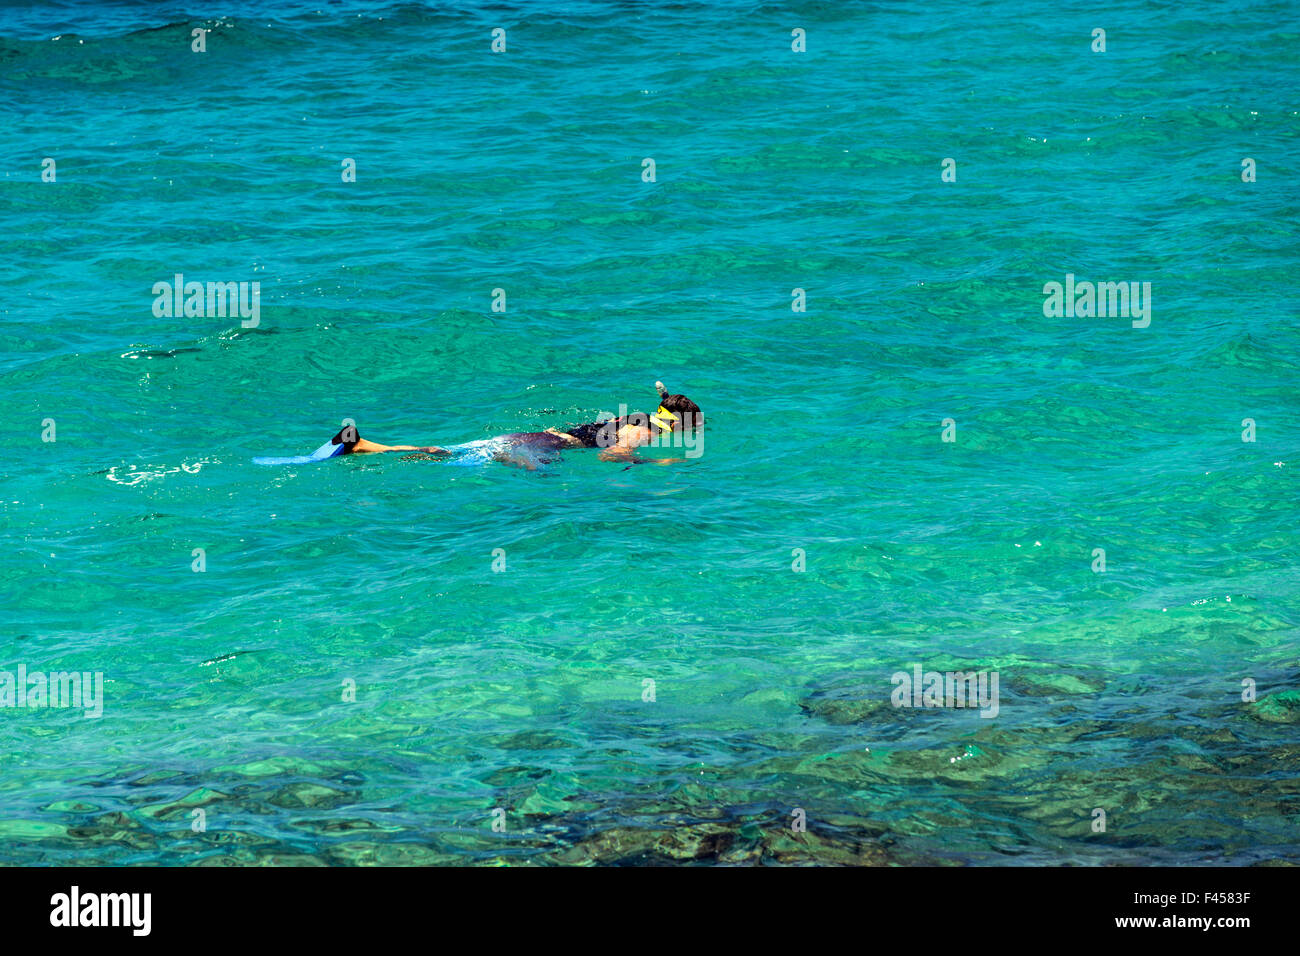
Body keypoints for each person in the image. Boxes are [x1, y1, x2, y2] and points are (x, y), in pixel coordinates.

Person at [317, 381, 702, 466]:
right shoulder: (643, 431)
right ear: (680, 424)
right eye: (694, 425)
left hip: (537, 438)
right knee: (447, 458)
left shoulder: (637, 417)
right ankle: (363, 448)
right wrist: (658, 463)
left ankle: (360, 444)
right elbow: (610, 457)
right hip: (541, 446)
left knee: (456, 452)